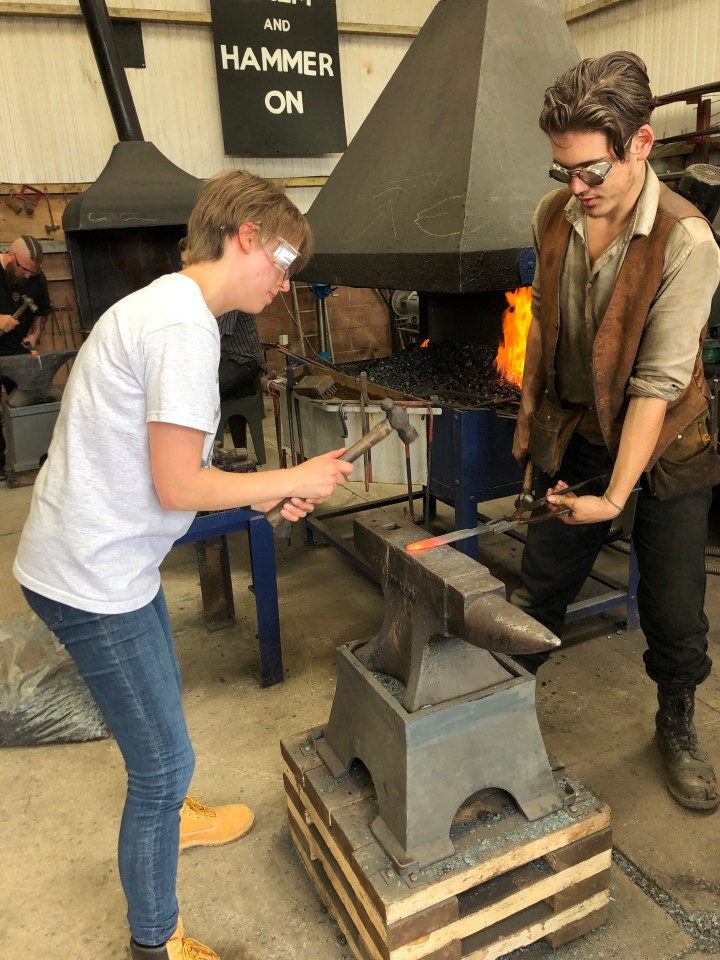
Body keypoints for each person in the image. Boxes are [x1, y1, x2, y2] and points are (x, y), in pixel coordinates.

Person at [12, 170, 354, 960]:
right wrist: (291, 480)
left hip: (109, 558)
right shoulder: (183, 330)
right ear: (245, 238)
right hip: (92, 577)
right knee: (162, 763)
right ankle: (153, 944)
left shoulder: (168, 305)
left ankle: (174, 814)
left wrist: (268, 493)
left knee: (161, 712)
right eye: (283, 262)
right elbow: (177, 483)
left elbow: (165, 483)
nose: (283, 282)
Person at [511, 53, 720, 813]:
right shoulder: (553, 216)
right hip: (580, 434)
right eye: (563, 168)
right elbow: (540, 327)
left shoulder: (687, 242)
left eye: (592, 170)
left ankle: (676, 723)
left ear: (641, 142)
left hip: (666, 448)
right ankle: (497, 721)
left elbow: (655, 389)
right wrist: (531, 425)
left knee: (673, 610)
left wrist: (617, 497)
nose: (576, 188)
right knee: (538, 586)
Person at [0, 235, 51, 478]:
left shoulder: (35, 277)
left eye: (34, 271)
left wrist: (35, 333)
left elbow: (41, 310)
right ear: (10, 256)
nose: (29, 276)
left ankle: (25, 461)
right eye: (25, 270)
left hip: (18, 354)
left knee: (23, 407)